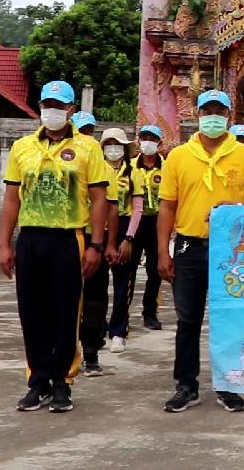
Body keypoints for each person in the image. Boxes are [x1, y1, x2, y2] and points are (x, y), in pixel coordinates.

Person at [157, 89, 244, 413]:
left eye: (218, 112)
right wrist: (163, 252)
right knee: (187, 319)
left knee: (230, 318)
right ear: (198, 115)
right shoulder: (179, 156)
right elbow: (167, 206)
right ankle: (186, 385)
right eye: (207, 111)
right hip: (189, 244)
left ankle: (229, 384)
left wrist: (237, 206)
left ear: (228, 116)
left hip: (232, 250)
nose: (212, 117)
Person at [0, 80, 110, 413]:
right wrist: (4, 244)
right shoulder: (22, 148)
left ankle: (63, 382)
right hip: (31, 238)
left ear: (71, 110)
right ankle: (38, 381)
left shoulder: (88, 148)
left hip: (68, 238)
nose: (53, 111)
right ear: (40, 107)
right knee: (31, 313)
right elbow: (11, 198)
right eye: (48, 105)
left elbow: (99, 198)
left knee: (65, 312)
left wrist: (96, 244)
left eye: (59, 106)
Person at [78, 130, 123, 377]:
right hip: (67, 237)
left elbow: (112, 208)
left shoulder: (104, 169)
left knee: (94, 298)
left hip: (94, 238)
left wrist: (109, 244)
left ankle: (91, 352)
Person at [103, 128, 147, 354]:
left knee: (122, 285)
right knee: (96, 284)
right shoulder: (95, 169)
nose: (113, 148)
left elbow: (137, 208)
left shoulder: (134, 173)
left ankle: (118, 332)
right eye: (109, 144)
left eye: (117, 144)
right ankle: (95, 329)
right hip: (99, 228)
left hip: (124, 227)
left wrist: (129, 238)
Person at [135, 125, 166, 330]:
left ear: (159, 143)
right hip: (134, 222)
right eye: (144, 137)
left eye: (152, 138)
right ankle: (121, 313)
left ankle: (150, 312)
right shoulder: (130, 165)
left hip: (157, 222)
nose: (148, 142)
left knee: (155, 271)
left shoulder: (167, 167)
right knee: (127, 269)